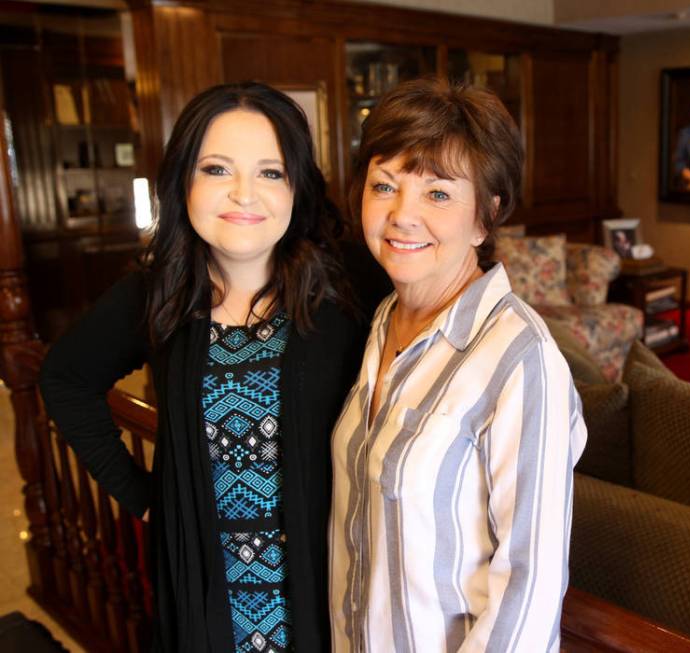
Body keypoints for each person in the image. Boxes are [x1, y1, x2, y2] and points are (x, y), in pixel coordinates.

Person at [40, 81, 388, 652]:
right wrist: (146, 497)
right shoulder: (157, 293)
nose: (244, 194)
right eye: (218, 169)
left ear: (297, 187)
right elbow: (65, 379)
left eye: (270, 173)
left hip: (327, 599)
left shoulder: (352, 284)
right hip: (207, 599)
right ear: (184, 181)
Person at [329, 78, 587, 652]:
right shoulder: (382, 320)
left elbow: (529, 589)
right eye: (384, 186)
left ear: (485, 216)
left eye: (438, 194)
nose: (402, 215)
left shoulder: (523, 360)